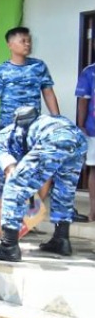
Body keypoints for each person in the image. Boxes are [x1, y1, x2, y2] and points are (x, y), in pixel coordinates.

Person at [0, 107, 86, 262]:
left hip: (53, 138)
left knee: (13, 186)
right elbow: (43, 176)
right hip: (76, 137)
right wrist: (33, 201)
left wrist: (5, 205)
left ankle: (8, 247)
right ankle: (61, 239)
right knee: (64, 189)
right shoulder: (23, 133)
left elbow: (12, 174)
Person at [0, 26, 59, 127]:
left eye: (29, 41)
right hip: (8, 128)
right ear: (10, 45)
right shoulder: (0, 71)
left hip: (34, 127)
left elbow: (49, 94)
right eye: (23, 41)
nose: (27, 44)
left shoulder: (39, 66)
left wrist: (58, 121)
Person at [75, 61, 95, 221]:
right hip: (93, 129)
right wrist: (81, 125)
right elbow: (83, 100)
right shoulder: (89, 71)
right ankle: (93, 211)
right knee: (93, 168)